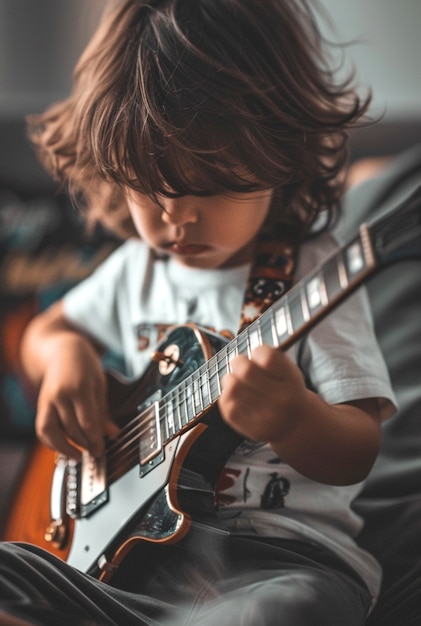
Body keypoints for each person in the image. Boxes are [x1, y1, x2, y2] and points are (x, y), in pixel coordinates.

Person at [0, 1, 397, 624]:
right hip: (121, 566)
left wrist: (294, 417)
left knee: (290, 611)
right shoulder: (139, 269)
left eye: (209, 186)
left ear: (279, 158)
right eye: (147, 188)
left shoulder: (317, 275)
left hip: (270, 563)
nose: (177, 218)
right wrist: (64, 358)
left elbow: (359, 449)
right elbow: (46, 332)